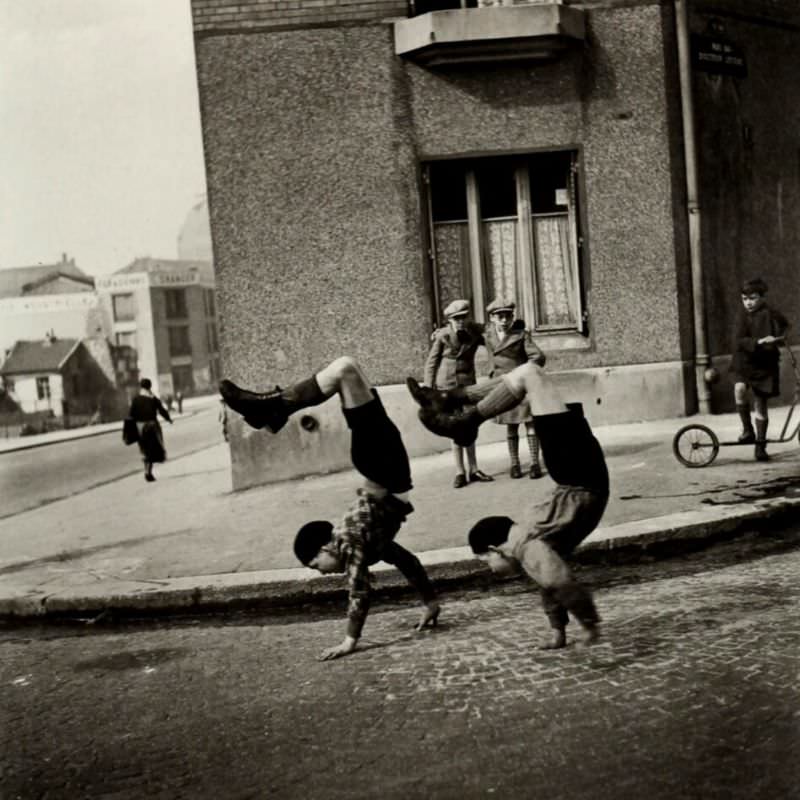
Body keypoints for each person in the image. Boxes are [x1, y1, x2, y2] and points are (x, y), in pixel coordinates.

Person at [219, 356, 440, 661]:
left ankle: (274, 409)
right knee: (348, 370)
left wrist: (350, 640)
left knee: (344, 371)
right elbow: (408, 561)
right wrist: (430, 603)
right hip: (385, 464)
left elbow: (359, 592)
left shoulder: (351, 542)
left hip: (382, 463)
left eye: (315, 565)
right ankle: (273, 411)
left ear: (326, 547)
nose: (321, 573)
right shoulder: (368, 541)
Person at [407, 361, 608, 649]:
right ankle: (453, 402)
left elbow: (557, 580)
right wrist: (558, 630)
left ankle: (461, 416)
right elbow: (549, 582)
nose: (490, 569)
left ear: (495, 549)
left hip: (579, 474)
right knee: (531, 376)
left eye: (486, 561)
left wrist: (587, 623)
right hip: (578, 473)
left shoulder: (526, 545)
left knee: (530, 376)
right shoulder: (528, 544)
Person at [424, 298, 493, 489]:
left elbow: (491, 332)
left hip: (467, 386)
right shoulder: (443, 336)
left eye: (463, 317)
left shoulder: (473, 333)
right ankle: (459, 472)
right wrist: (428, 390)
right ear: (450, 321)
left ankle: (474, 469)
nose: (460, 322)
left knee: (470, 426)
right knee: (454, 428)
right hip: (446, 387)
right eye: (456, 319)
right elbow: (431, 362)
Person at [484, 297, 546, 479]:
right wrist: (442, 331)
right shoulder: (488, 334)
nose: (504, 320)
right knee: (510, 426)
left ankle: (535, 463)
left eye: (508, 316)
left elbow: (538, 357)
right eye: (500, 317)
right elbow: (467, 328)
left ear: (512, 317)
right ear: (492, 318)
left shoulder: (520, 335)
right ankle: (515, 464)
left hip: (521, 385)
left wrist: (524, 372)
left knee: (529, 423)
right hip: (502, 385)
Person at [729, 277, 790, 461]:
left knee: (761, 405)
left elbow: (786, 327)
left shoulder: (771, 313)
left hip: (765, 364)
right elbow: (738, 339)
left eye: (753, 298)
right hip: (744, 362)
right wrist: (758, 341)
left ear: (762, 297)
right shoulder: (741, 316)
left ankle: (760, 446)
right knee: (739, 389)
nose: (748, 303)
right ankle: (747, 430)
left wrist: (778, 338)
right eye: (745, 299)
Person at [128, 378, 172, 482]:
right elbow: (161, 410)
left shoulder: (135, 399)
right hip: (152, 426)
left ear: (141, 387)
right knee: (152, 449)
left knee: (145, 450)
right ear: (149, 386)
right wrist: (168, 419)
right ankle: (148, 472)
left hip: (139, 427)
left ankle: (147, 471)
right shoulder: (153, 398)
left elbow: (131, 414)